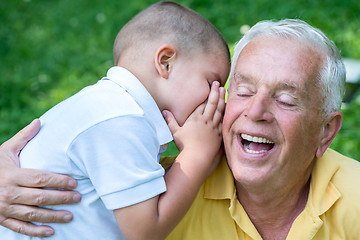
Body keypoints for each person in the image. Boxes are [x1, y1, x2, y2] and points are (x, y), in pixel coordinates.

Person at [1, 19, 360, 239]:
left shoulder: (354, 200)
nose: (256, 110)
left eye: (285, 99)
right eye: (243, 90)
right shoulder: (161, 185)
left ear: (326, 132)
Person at [0, 1, 230, 240]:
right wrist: (196, 153)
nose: (215, 100)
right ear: (165, 62)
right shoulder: (122, 119)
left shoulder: (110, 109)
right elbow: (145, 231)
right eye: (211, 83)